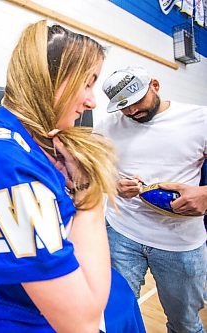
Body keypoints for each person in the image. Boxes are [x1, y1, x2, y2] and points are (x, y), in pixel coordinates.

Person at [0, 20, 119, 332]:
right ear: (49, 79)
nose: (92, 100)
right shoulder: (1, 162)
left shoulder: (31, 144)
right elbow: (81, 322)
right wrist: (89, 196)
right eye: (86, 82)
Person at [96, 66, 207, 333]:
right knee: (118, 314)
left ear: (154, 85)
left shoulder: (199, 119)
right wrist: (112, 185)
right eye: (123, 107)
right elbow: (91, 170)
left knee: (185, 324)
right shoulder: (107, 126)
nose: (132, 111)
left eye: (136, 101)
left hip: (180, 244)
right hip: (122, 234)